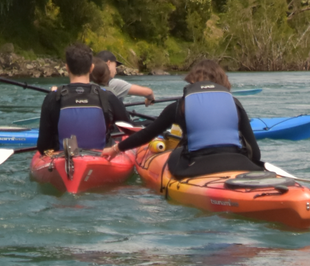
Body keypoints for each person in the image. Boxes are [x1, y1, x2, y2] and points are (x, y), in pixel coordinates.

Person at [101, 59, 262, 179]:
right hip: (239, 163)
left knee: (175, 151)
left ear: (194, 81)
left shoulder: (181, 106)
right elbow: (255, 153)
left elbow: (147, 134)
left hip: (197, 167)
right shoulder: (234, 103)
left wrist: (115, 149)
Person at [36, 43, 130, 153]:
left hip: (64, 161)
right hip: (101, 159)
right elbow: (130, 129)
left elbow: (43, 146)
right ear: (91, 68)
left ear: (67, 68)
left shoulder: (53, 98)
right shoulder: (107, 96)